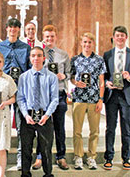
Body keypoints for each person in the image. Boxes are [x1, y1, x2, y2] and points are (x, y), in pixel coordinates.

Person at [103, 26, 130, 170]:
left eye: (122, 35)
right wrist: (107, 82)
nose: (120, 38)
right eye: (117, 35)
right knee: (110, 128)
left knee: (126, 128)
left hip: (126, 95)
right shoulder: (107, 54)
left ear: (126, 37)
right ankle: (108, 158)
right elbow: (105, 75)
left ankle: (126, 158)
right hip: (112, 96)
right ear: (113, 38)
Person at [0, 18, 31, 170]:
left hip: (21, 88)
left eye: (16, 27)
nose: (13, 30)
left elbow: (29, 68)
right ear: (6, 28)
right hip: (3, 89)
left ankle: (21, 157)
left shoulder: (25, 48)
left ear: (19, 30)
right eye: (10, 27)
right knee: (2, 124)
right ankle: (2, 156)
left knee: (22, 126)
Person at [31, 25, 71, 170]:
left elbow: (69, 73)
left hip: (59, 94)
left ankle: (61, 157)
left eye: (52, 36)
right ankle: (40, 157)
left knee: (60, 127)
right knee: (41, 127)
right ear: (43, 37)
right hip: (43, 96)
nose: (49, 39)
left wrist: (63, 76)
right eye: (47, 36)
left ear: (56, 37)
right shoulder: (39, 54)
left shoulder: (63, 54)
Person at [17, 46, 59, 177]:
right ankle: (25, 173)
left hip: (45, 115)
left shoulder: (51, 77)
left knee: (46, 148)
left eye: (39, 55)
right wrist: (25, 115)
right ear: (30, 58)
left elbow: (55, 99)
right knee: (26, 147)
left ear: (44, 58)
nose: (36, 58)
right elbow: (20, 98)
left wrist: (47, 115)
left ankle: (47, 173)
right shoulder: (23, 77)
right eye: (33, 55)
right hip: (28, 115)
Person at [70, 32, 106, 170]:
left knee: (94, 131)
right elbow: (71, 77)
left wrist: (100, 99)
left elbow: (101, 82)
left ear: (93, 44)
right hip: (79, 98)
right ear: (81, 43)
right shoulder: (75, 59)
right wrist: (75, 82)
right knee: (77, 131)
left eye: (89, 42)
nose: (87, 44)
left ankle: (91, 157)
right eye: (84, 42)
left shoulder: (99, 60)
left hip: (93, 98)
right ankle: (78, 156)